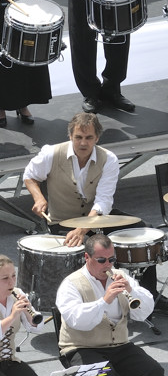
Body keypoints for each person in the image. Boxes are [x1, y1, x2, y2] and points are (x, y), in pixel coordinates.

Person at [56, 234, 167, 376]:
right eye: (101, 260)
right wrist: (104, 300)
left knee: (154, 373)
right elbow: (79, 321)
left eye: (112, 260)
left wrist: (132, 291)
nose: (108, 265)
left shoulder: (119, 276)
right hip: (80, 348)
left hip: (118, 346)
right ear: (87, 258)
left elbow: (142, 312)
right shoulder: (71, 285)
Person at [24, 112, 157, 294]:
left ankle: (149, 295)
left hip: (97, 217)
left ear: (97, 137)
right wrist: (38, 197)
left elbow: (104, 200)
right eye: (78, 137)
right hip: (62, 220)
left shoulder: (109, 159)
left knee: (145, 233)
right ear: (70, 136)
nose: (83, 143)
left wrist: (82, 228)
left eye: (89, 138)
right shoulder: (51, 153)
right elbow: (30, 176)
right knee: (91, 249)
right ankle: (97, 298)